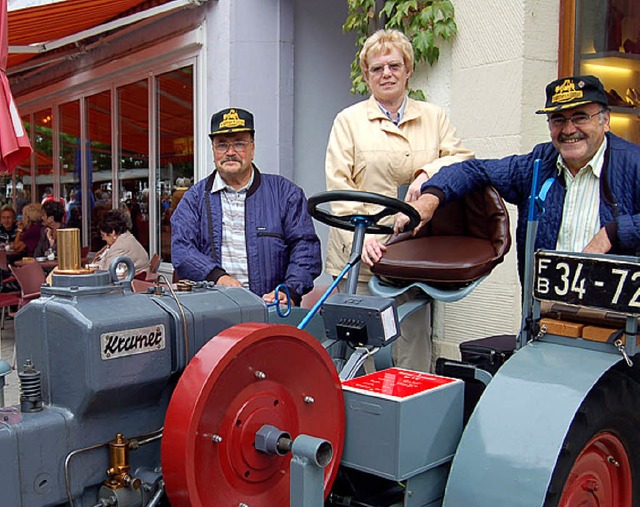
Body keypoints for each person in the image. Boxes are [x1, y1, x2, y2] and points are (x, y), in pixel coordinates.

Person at [363, 75, 640, 277]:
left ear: (605, 120)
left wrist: (613, 232)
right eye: (558, 120)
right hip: (545, 316)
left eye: (580, 117)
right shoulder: (539, 164)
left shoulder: (632, 163)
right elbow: (474, 169)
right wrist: (428, 200)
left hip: (617, 325)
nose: (568, 129)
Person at [325, 29, 474, 371]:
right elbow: (338, 187)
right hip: (361, 259)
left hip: (414, 256)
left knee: (413, 347)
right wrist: (361, 241)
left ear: (408, 69)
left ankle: (414, 417)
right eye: (377, 69)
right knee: (361, 353)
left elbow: (464, 160)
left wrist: (427, 172)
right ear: (366, 76)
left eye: (394, 65)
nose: (386, 74)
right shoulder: (348, 122)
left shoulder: (433, 117)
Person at [171, 107, 321, 306]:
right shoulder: (194, 199)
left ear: (252, 148)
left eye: (239, 144)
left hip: (272, 309)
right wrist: (218, 278)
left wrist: (291, 291)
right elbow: (182, 250)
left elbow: (305, 247)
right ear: (213, 151)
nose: (230, 152)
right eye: (222, 145)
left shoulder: (285, 193)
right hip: (213, 309)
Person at [94, 210, 150, 274]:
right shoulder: (127, 237)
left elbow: (105, 273)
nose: (103, 239)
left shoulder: (119, 246)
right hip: (135, 279)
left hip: (130, 281)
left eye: (103, 235)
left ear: (113, 232)